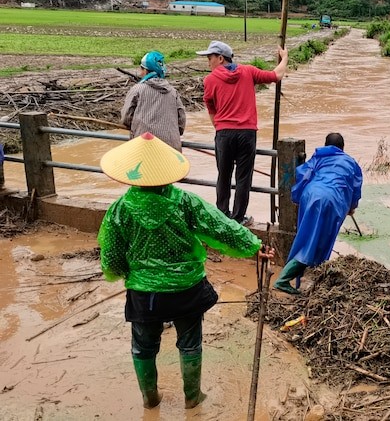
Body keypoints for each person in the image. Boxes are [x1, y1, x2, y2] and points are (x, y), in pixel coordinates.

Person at [97, 133, 268, 410]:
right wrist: (254, 246)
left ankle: (150, 398)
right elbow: (222, 227)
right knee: (190, 343)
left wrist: (131, 274)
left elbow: (112, 258)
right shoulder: (185, 202)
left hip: (144, 293)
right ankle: (192, 397)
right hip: (186, 289)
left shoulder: (120, 210)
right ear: (167, 173)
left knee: (143, 345)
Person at [198, 40, 288, 225]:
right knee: (243, 177)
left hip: (224, 133)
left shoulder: (210, 80)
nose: (208, 62)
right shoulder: (248, 71)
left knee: (223, 176)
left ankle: (222, 216)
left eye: (210, 58)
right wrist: (284, 57)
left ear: (221, 58)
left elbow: (211, 111)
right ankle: (238, 218)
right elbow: (276, 75)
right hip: (247, 133)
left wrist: (220, 129)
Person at [273, 133, 363, 294]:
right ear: (342, 148)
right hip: (331, 200)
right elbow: (355, 189)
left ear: (326, 144)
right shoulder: (351, 163)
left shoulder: (319, 157)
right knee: (317, 242)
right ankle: (283, 280)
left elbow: (303, 174)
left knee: (306, 237)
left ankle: (310, 277)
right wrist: (351, 207)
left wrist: (297, 196)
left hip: (310, 195)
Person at [121, 51, 186, 151]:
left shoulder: (137, 90)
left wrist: (137, 128)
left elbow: (126, 118)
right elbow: (181, 121)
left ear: (146, 71)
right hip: (171, 148)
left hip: (144, 146)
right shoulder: (173, 92)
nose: (140, 72)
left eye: (141, 69)